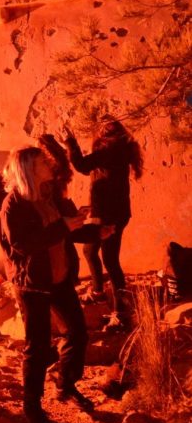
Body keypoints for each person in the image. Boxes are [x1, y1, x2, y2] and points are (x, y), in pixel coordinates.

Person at [0, 146, 97, 423]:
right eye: (42, 161)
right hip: (32, 284)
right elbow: (22, 245)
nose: (49, 164)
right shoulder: (13, 205)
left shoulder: (50, 194)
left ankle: (65, 385)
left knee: (77, 334)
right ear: (28, 168)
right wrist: (64, 226)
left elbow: (70, 230)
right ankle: (32, 406)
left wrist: (95, 230)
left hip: (60, 279)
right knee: (37, 346)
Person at [63, 118, 143, 329]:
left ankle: (121, 313)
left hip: (111, 215)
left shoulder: (110, 151)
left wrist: (70, 141)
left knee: (110, 260)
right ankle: (98, 291)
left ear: (104, 135)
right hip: (108, 212)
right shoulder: (117, 149)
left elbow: (81, 165)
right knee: (90, 251)